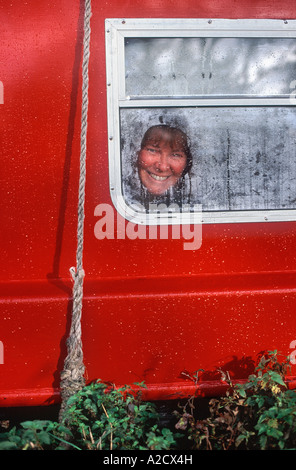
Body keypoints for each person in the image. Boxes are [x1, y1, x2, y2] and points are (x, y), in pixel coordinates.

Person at [125, 124, 193, 209]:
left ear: (187, 164)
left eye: (176, 155)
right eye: (152, 150)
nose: (162, 167)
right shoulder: (122, 196)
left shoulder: (203, 206)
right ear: (135, 154)